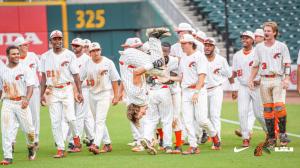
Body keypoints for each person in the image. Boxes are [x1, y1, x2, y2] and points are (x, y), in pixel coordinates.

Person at [40, 30, 83, 158]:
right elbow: (43, 77)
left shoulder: (69, 55)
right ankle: (60, 148)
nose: (58, 41)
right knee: (55, 121)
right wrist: (41, 94)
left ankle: (76, 137)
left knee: (71, 117)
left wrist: (79, 92)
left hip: (66, 88)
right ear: (50, 41)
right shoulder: (44, 56)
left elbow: (76, 75)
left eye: (60, 38)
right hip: (52, 90)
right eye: (55, 39)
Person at [249, 21, 291, 147]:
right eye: (265, 30)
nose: (266, 32)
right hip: (264, 80)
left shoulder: (282, 46)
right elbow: (255, 65)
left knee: (279, 106)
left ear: (274, 32)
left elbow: (287, 63)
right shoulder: (259, 48)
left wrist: (287, 78)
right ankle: (272, 137)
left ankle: (283, 134)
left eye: (268, 31)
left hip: (277, 78)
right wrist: (251, 79)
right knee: (267, 109)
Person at [178, 34, 221, 154]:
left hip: (198, 90)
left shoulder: (199, 56)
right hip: (186, 91)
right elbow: (181, 77)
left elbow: (202, 76)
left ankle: (214, 135)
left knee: (202, 120)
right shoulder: (183, 57)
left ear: (191, 43)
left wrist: (196, 92)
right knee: (187, 120)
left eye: (184, 43)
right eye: (181, 43)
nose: (182, 46)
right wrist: (167, 78)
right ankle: (193, 146)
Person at [80, 42, 120, 155]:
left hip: (104, 93)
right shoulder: (87, 63)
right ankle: (107, 144)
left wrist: (116, 96)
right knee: (98, 120)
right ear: (89, 52)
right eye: (93, 51)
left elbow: (115, 79)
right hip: (92, 93)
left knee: (99, 120)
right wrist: (77, 92)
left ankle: (96, 144)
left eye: (97, 50)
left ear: (100, 50)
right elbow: (79, 79)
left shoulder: (108, 62)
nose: (96, 52)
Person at [0, 46, 37, 165]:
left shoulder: (25, 69)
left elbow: (30, 86)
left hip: (21, 102)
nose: (16, 56)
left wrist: (27, 98)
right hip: (7, 102)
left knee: (29, 130)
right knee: (6, 130)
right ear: (8, 56)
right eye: (13, 54)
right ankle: (8, 156)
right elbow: (1, 88)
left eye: (17, 54)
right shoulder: (2, 70)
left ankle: (31, 147)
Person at [231, 31, 267, 147]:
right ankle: (245, 138)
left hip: (256, 87)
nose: (244, 40)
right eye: (243, 38)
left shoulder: (258, 53)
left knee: (259, 114)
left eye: (247, 38)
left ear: (252, 40)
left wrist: (260, 80)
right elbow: (234, 73)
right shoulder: (237, 55)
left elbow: (265, 68)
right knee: (242, 113)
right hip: (243, 86)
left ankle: (269, 133)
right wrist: (234, 88)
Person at [10, 37, 41, 150]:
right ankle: (12, 141)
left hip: (35, 90)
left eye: (27, 44)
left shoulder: (33, 56)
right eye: (24, 45)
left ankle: (35, 140)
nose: (27, 46)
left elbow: (41, 71)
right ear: (18, 47)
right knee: (16, 117)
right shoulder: (15, 60)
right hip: (20, 92)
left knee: (35, 115)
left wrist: (44, 90)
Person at [66, 38, 94, 152]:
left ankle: (74, 143)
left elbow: (91, 76)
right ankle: (92, 138)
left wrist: (80, 89)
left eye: (77, 46)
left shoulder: (87, 59)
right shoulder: (69, 57)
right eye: (73, 45)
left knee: (80, 116)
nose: (75, 47)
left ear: (82, 47)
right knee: (72, 116)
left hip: (84, 90)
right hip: (70, 89)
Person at [204, 37, 232, 142]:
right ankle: (206, 134)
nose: (207, 47)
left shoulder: (221, 60)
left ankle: (217, 139)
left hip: (216, 89)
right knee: (203, 116)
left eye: (210, 45)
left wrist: (233, 89)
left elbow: (229, 74)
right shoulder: (200, 58)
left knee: (214, 115)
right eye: (206, 45)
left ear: (214, 47)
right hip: (203, 90)